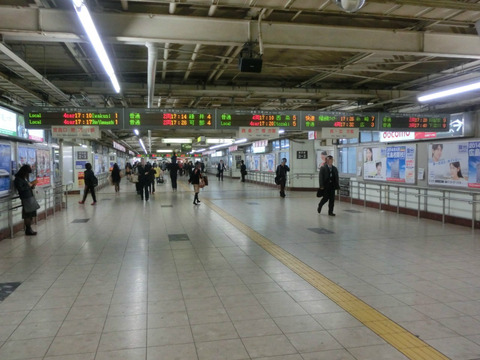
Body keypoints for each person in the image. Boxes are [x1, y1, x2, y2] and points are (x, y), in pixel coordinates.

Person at [14, 164, 39, 236]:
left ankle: (29, 228)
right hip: (25, 198)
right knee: (27, 214)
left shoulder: (24, 178)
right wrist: (28, 185)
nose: (27, 174)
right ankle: (28, 229)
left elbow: (26, 187)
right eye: (27, 173)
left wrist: (32, 186)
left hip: (29, 197)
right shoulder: (18, 179)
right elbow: (21, 189)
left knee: (31, 214)